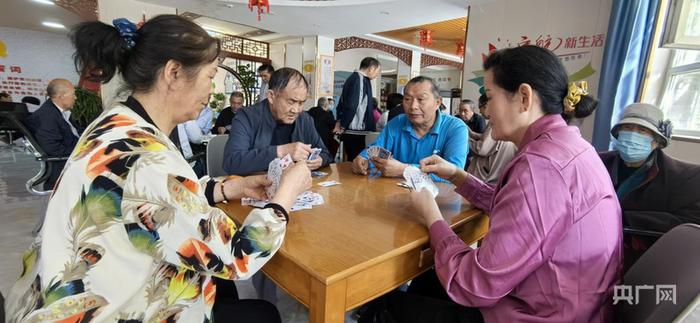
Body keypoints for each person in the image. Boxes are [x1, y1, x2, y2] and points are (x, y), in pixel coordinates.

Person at [5, 15, 312, 323]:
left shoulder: (117, 121)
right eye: (209, 76)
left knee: (223, 290)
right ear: (174, 73)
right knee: (261, 312)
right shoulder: (147, 158)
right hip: (113, 308)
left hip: (65, 292)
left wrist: (225, 188)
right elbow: (238, 256)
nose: (211, 90)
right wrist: (285, 195)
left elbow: (148, 197)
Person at [364, 46, 622, 323]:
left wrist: (431, 215)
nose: (485, 112)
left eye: (489, 97)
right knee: (427, 279)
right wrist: (457, 175)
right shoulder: (569, 146)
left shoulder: (540, 168)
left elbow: (475, 284)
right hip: (576, 302)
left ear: (524, 97)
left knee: (389, 305)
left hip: (538, 312)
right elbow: (520, 211)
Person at [599, 102, 700, 270]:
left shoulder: (684, 178)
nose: (632, 135)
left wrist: (621, 217)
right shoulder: (597, 161)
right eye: (628, 128)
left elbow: (689, 224)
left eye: (642, 130)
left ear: (657, 141)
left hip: (638, 259)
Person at [351, 76, 468, 181]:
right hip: (394, 196)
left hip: (437, 201)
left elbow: (455, 175)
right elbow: (375, 150)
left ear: (438, 102)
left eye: (421, 99)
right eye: (407, 99)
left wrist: (404, 170)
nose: (413, 106)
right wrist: (363, 159)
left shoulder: (456, 128)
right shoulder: (397, 123)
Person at [223, 67, 331, 175]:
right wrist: (281, 151)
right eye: (291, 102)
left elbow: (326, 153)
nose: (296, 110)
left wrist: (320, 160)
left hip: (296, 187)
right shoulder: (246, 117)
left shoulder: (305, 119)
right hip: (256, 188)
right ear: (271, 96)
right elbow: (231, 162)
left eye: (301, 103)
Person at [26, 79, 79, 190]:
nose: (75, 98)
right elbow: (53, 148)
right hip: (64, 166)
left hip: (71, 157)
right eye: (73, 94)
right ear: (62, 96)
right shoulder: (47, 116)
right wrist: (82, 151)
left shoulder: (58, 112)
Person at [334, 57, 380, 161]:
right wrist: (343, 125)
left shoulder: (359, 79)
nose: (377, 74)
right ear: (372, 68)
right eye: (377, 71)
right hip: (356, 131)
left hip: (356, 130)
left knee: (354, 161)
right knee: (357, 162)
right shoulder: (358, 79)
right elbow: (352, 105)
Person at [466, 94, 517, 184]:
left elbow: (482, 148)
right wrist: (472, 134)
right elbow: (490, 139)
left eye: (480, 107)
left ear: (486, 105)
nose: (480, 112)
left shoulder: (496, 121)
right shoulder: (505, 119)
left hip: (488, 179)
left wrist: (465, 139)